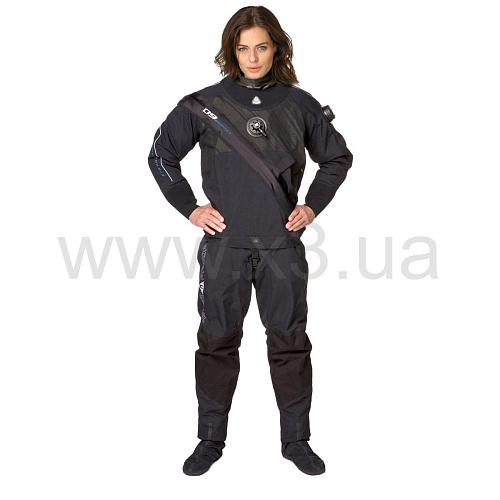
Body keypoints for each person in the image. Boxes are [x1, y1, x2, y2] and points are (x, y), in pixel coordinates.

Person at [147, 6, 353, 476]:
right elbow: (161, 155)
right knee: (216, 342)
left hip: (282, 248)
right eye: (243, 48)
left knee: (290, 343)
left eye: (261, 47)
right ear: (231, 51)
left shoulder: (300, 105)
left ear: (276, 48)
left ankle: (296, 441)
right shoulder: (201, 105)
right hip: (225, 247)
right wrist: (191, 208)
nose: (253, 57)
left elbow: (337, 158)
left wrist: (312, 206)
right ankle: (210, 440)